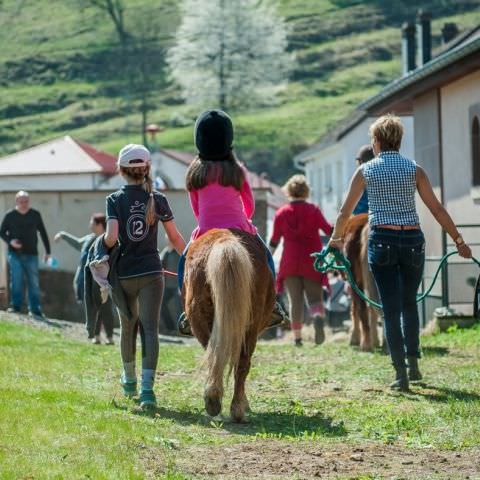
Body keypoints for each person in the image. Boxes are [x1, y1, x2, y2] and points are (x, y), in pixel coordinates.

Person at [328, 114, 472, 391]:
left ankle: (400, 375)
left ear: (377, 141)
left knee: (390, 309)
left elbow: (346, 211)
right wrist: (458, 240)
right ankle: (414, 363)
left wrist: (336, 239)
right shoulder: (415, 169)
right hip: (413, 242)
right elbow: (437, 209)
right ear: (399, 140)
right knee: (409, 304)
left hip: (381, 239)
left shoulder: (366, 171)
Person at [177, 109, 288, 335]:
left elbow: (196, 208)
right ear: (229, 139)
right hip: (239, 226)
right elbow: (249, 204)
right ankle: (273, 303)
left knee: (183, 265)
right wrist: (243, 218)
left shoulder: (194, 172)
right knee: (266, 258)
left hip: (207, 228)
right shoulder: (237, 170)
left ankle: (188, 312)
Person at [104, 144, 186, 408]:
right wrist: (191, 259)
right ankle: (147, 392)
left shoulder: (114, 200)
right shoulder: (158, 199)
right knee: (150, 329)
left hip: (125, 274)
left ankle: (129, 380)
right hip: (152, 272)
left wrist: (100, 246)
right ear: (146, 169)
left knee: (128, 326)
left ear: (121, 170)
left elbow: (112, 237)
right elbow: (174, 238)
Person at [269, 175, 333, 347]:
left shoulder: (281, 213)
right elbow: (328, 230)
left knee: (295, 301)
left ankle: (297, 338)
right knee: (314, 299)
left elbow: (274, 240)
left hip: (289, 261)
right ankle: (318, 317)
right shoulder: (314, 210)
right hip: (312, 260)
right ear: (306, 191)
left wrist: (267, 258)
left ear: (289, 191)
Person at [54, 213, 116, 345]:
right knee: (94, 308)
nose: (90, 225)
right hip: (87, 280)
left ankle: (110, 337)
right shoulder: (89, 238)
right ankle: (96, 336)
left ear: (99, 225)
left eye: (92, 222)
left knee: (105, 308)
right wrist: (63, 235)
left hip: (102, 280)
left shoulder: (107, 240)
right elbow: (77, 243)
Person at [0, 191, 51, 319]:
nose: (24, 204)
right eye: (21, 201)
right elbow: (1, 232)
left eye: (26, 201)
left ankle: (35, 309)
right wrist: (10, 241)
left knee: (33, 282)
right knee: (16, 280)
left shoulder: (35, 214)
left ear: (29, 201)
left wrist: (48, 251)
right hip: (14, 254)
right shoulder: (10, 215)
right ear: (16, 201)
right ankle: (16, 306)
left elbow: (43, 233)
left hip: (32, 254)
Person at [159, 235, 182, 334]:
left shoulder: (179, 251)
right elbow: (159, 264)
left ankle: (181, 330)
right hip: (167, 286)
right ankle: (170, 328)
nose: (168, 241)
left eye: (170, 239)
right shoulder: (165, 252)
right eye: (167, 239)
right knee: (161, 304)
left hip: (178, 286)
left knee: (179, 309)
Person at [352, 145, 375, 215]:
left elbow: (350, 208)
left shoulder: (360, 176)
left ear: (361, 162)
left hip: (361, 217)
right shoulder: (382, 177)